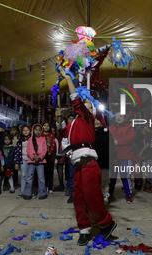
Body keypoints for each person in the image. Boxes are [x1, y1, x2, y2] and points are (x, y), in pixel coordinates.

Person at [56, 67, 116, 246]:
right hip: (78, 165)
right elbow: (61, 133)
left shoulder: (87, 118)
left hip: (89, 163)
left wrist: (68, 78)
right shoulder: (73, 122)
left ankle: (107, 223)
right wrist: (59, 118)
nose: (85, 107)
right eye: (85, 106)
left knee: (93, 197)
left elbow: (76, 101)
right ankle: (84, 229)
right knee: (78, 198)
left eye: (88, 106)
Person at [109, 112, 136, 203]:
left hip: (125, 156)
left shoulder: (129, 128)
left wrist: (117, 142)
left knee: (125, 176)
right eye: (117, 116)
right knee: (112, 177)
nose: (118, 118)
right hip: (113, 156)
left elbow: (130, 138)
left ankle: (128, 195)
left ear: (125, 118)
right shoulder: (111, 128)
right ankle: (109, 193)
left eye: (121, 116)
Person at [94, 118, 117, 203]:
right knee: (94, 182)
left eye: (98, 120)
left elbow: (112, 147)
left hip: (105, 161)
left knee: (104, 180)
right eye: (94, 120)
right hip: (92, 162)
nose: (96, 121)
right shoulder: (89, 132)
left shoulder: (107, 132)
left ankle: (104, 196)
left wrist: (114, 158)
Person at [24, 124, 47, 200]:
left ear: (41, 131)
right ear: (33, 130)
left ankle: (42, 193)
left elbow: (44, 150)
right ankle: (27, 193)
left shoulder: (43, 139)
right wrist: (33, 157)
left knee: (41, 178)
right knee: (29, 178)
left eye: (39, 130)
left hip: (40, 161)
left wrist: (40, 157)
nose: (37, 131)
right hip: (31, 161)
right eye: (36, 129)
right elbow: (28, 150)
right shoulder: (30, 139)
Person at [13, 124, 31, 198]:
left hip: (31, 160)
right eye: (24, 130)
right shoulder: (20, 141)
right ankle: (23, 191)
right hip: (23, 160)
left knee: (30, 177)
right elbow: (16, 152)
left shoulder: (32, 140)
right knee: (23, 176)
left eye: (27, 130)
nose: (26, 132)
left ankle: (29, 192)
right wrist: (16, 162)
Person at [41, 121, 56, 194]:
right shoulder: (40, 135)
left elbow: (52, 146)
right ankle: (43, 186)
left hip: (49, 158)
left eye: (48, 126)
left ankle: (50, 187)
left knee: (50, 173)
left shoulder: (51, 136)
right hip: (41, 157)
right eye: (44, 125)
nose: (46, 127)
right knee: (42, 173)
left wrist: (49, 154)